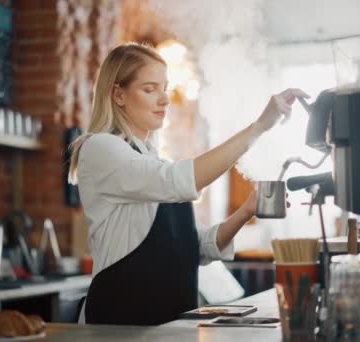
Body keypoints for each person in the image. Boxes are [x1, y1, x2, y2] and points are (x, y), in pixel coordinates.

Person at [68, 42, 308, 325]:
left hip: (169, 326)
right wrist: (258, 128)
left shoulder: (155, 164)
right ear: (119, 95)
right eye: (150, 89)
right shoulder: (101, 149)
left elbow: (201, 245)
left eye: (164, 88)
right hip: (117, 327)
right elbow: (179, 180)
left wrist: (246, 211)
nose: (165, 100)